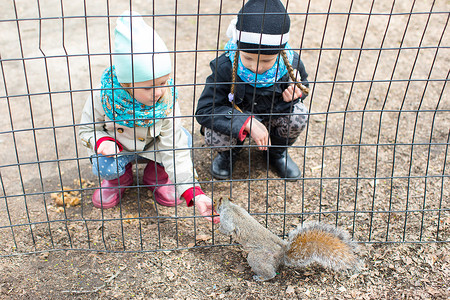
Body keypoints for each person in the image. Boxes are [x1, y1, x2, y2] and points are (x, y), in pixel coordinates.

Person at [79, 11, 218, 223]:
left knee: (183, 138)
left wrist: (193, 192)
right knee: (104, 163)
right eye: (148, 87)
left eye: (163, 83)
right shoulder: (103, 96)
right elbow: (86, 130)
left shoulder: (167, 99)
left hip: (154, 147)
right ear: (126, 83)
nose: (158, 92)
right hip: (119, 150)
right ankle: (118, 178)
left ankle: (157, 175)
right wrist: (102, 141)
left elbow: (175, 147)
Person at [195, 0, 309, 181]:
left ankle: (276, 153)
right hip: (236, 119)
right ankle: (229, 153)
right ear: (238, 47)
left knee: (300, 114)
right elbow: (204, 110)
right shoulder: (225, 66)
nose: (256, 68)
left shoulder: (291, 63)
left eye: (266, 61)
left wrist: (296, 93)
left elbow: (305, 86)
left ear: (280, 53)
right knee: (213, 132)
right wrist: (245, 121)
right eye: (248, 58)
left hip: (273, 115)